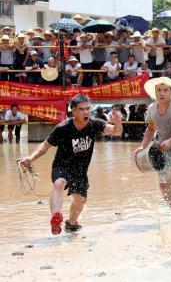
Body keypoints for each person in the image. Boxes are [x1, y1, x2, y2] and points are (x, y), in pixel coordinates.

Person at [18, 94, 122, 234]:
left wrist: (118, 123)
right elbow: (45, 145)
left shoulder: (95, 124)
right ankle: (56, 217)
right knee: (59, 183)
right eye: (81, 109)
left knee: (80, 199)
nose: (86, 112)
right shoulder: (63, 128)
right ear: (73, 111)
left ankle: (71, 223)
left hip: (80, 170)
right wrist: (30, 158)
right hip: (62, 165)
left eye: (88, 109)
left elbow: (116, 132)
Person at [134, 77, 171, 223]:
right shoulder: (152, 108)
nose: (162, 93)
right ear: (155, 93)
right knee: (164, 186)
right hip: (163, 152)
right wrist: (143, 145)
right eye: (159, 90)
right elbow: (150, 128)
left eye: (165, 90)